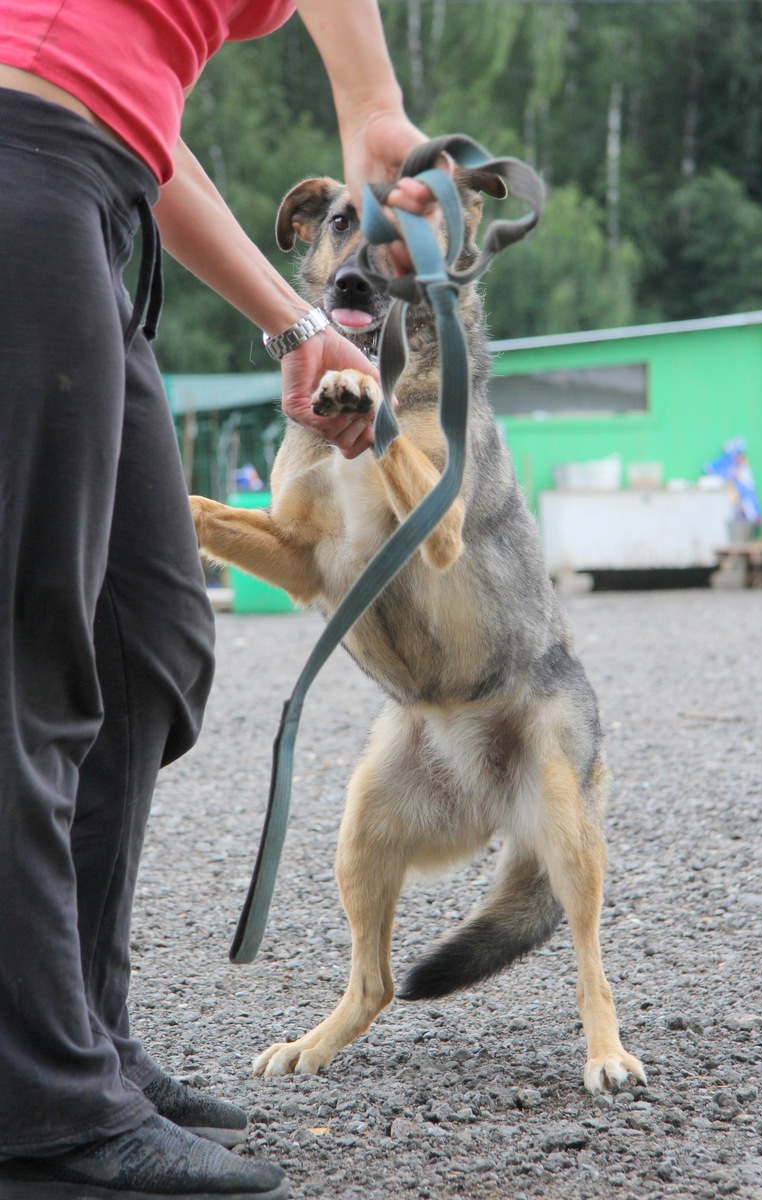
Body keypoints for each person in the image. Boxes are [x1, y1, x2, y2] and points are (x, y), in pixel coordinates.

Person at [0, 3, 436, 1197]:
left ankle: (81, 1040)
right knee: (30, 656)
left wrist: (296, 325)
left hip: (94, 186)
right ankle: (38, 1108)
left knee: (144, 637)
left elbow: (152, 143)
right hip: (22, 163)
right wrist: (366, 95)